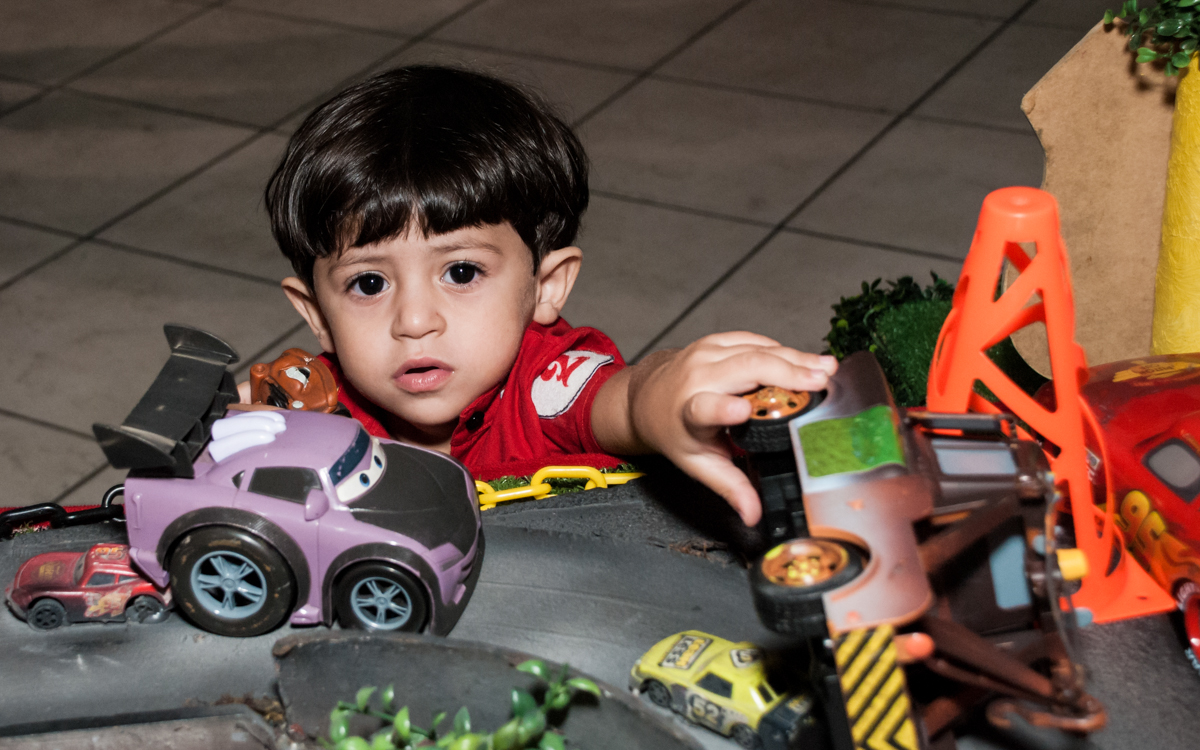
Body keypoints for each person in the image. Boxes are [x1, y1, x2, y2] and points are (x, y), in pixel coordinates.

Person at [246, 65, 836, 527]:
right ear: (316, 314)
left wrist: (670, 396)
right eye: (369, 284)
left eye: (460, 273)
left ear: (545, 286)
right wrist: (233, 435)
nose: (416, 320)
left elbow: (621, 401)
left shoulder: (547, 387)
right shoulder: (307, 408)